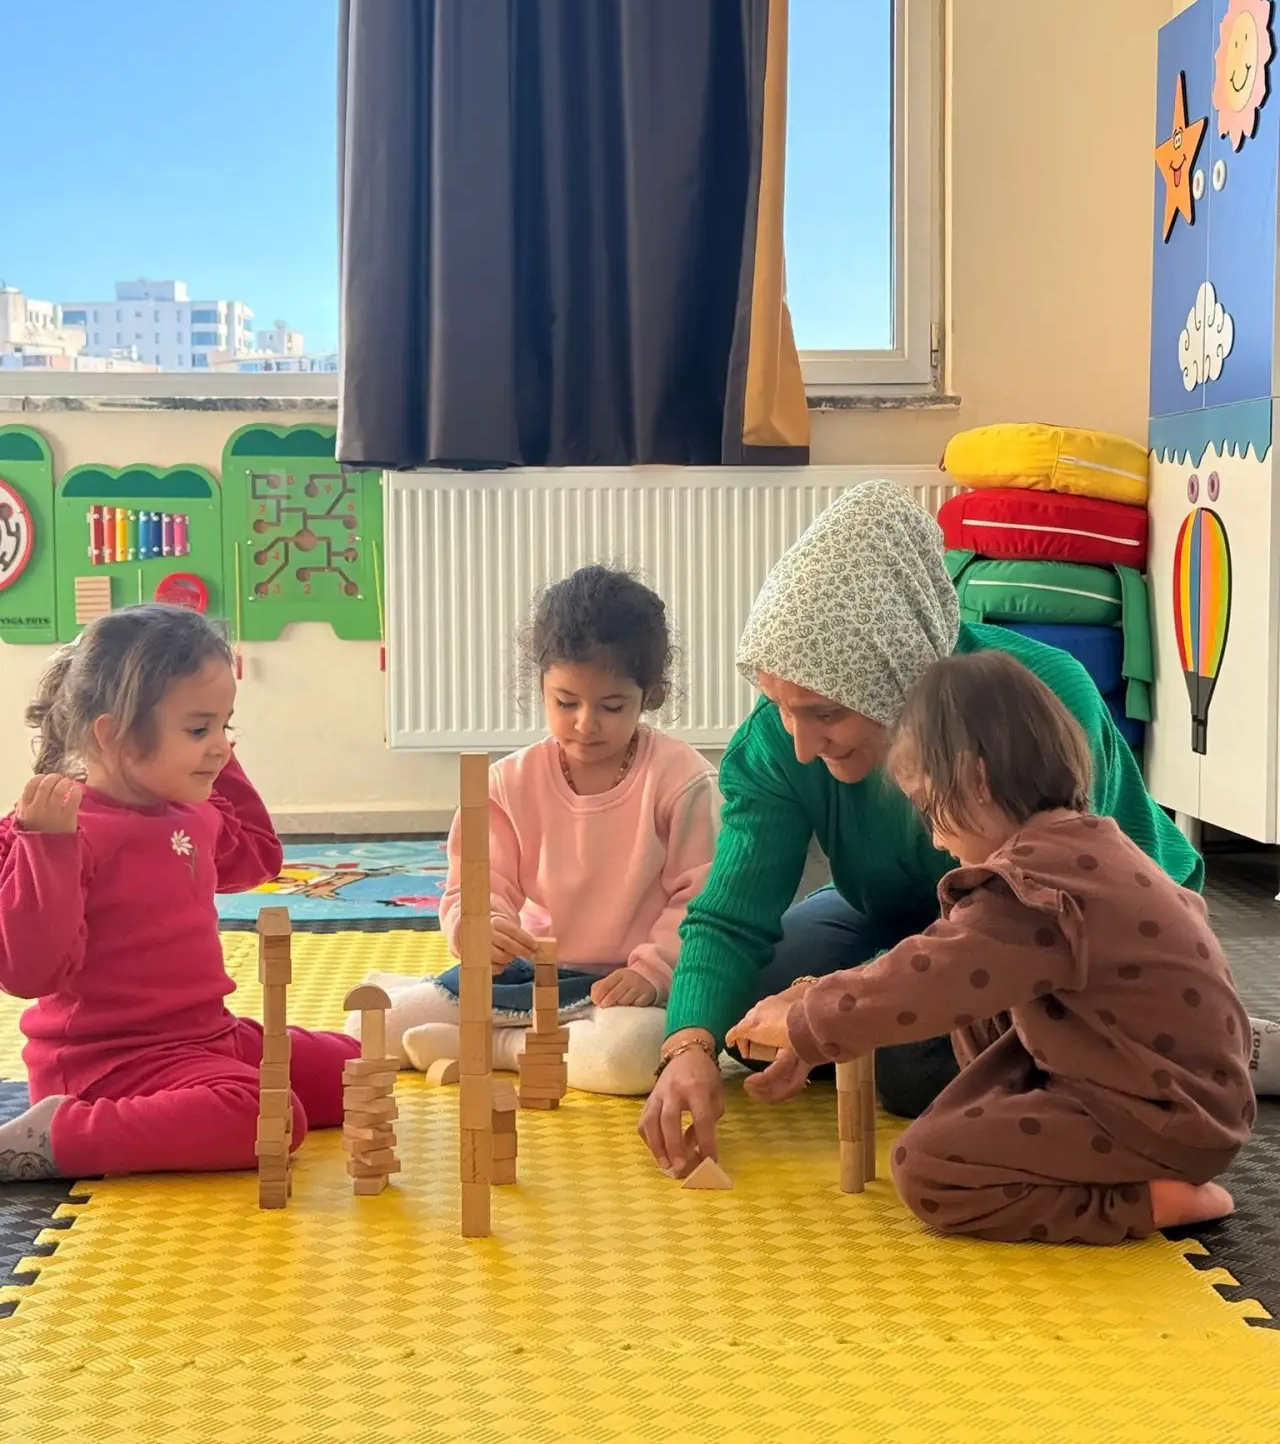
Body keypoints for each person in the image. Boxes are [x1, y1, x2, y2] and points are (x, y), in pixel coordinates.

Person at [639, 480, 1277, 1176]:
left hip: (1070, 929)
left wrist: (839, 1004)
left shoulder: (1035, 699)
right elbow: (730, 916)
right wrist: (687, 1047)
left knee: (909, 1063)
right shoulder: (775, 743)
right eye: (780, 704)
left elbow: (1037, 920)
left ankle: (1210, 1043)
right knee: (745, 1006)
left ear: (895, 682)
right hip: (907, 913)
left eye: (824, 713)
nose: (799, 743)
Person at [727, 650, 1252, 1242]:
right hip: (1177, 1096)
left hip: (1161, 1119)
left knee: (928, 1166)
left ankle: (1147, 1202)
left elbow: (926, 978)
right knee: (970, 1041)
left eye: (930, 809)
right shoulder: (1088, 846)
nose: (933, 837)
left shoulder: (1030, 888)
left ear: (975, 780)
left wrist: (809, 1018)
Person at [0, 604, 360, 1182]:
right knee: (269, 1119)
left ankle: (171, 1107)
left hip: (208, 1037)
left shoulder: (193, 810)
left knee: (357, 1070)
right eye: (199, 729)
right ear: (114, 735)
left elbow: (258, 856)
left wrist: (212, 754)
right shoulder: (66, 826)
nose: (221, 746)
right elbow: (29, 973)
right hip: (108, 1064)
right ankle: (58, 1135)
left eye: (226, 726)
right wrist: (46, 847)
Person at [352, 566, 719, 1095]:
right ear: (541, 684)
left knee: (635, 1056)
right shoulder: (506, 783)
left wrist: (653, 971)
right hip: (526, 977)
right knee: (366, 1029)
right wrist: (481, 927)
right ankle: (508, 1038)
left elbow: (702, 898)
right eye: (566, 702)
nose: (585, 724)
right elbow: (477, 886)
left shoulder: (682, 780)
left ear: (650, 695)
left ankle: (496, 1048)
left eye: (612, 706)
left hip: (621, 990)